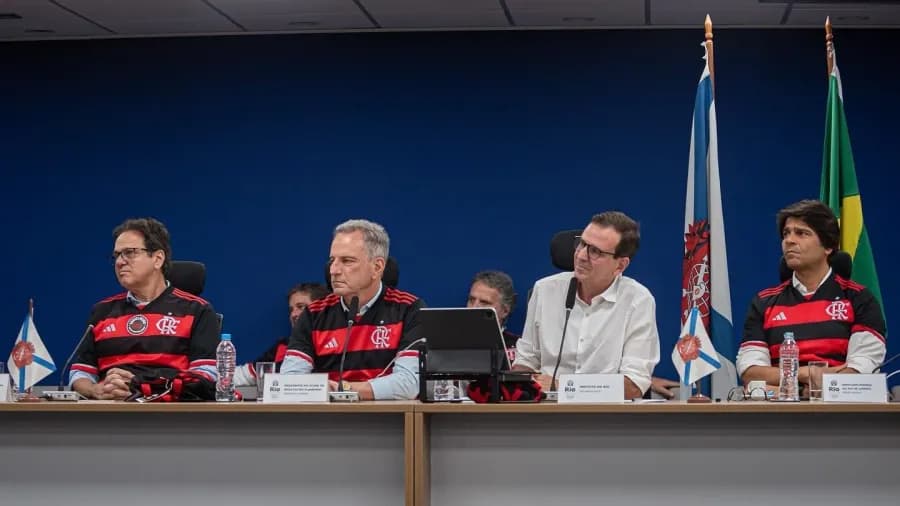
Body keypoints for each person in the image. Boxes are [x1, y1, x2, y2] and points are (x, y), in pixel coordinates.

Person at [737, 200, 886, 387]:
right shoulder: (764, 302)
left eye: (802, 233)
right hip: (778, 412)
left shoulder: (859, 299)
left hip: (841, 412)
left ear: (828, 246)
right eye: (786, 234)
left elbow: (861, 371)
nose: (789, 240)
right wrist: (807, 374)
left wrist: (787, 383)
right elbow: (751, 372)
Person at [513, 211, 660, 399]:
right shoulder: (544, 290)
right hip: (546, 412)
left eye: (595, 251)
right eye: (582, 243)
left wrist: (562, 386)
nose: (581, 256)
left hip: (608, 418)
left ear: (620, 266)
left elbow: (633, 384)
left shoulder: (638, 300)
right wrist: (519, 381)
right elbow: (526, 362)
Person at [69, 218, 219, 400]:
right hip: (109, 415)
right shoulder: (101, 312)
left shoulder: (197, 310)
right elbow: (80, 373)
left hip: (173, 417)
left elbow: (205, 376)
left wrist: (140, 384)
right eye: (116, 255)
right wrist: (95, 390)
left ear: (157, 259)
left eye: (129, 253)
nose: (119, 262)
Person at [281, 219, 425, 400]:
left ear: (377, 267)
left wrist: (343, 389)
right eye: (332, 260)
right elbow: (289, 380)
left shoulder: (409, 309)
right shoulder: (314, 313)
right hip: (325, 422)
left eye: (347, 261)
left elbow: (409, 383)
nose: (334, 270)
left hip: (390, 422)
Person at [233, 282, 329, 387]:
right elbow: (245, 375)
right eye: (291, 310)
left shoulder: (336, 344)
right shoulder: (282, 346)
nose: (293, 314)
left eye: (301, 307)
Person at [466, 270, 520, 363]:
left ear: (505, 311)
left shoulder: (522, 350)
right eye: (471, 300)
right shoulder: (446, 343)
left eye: (484, 302)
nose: (474, 307)